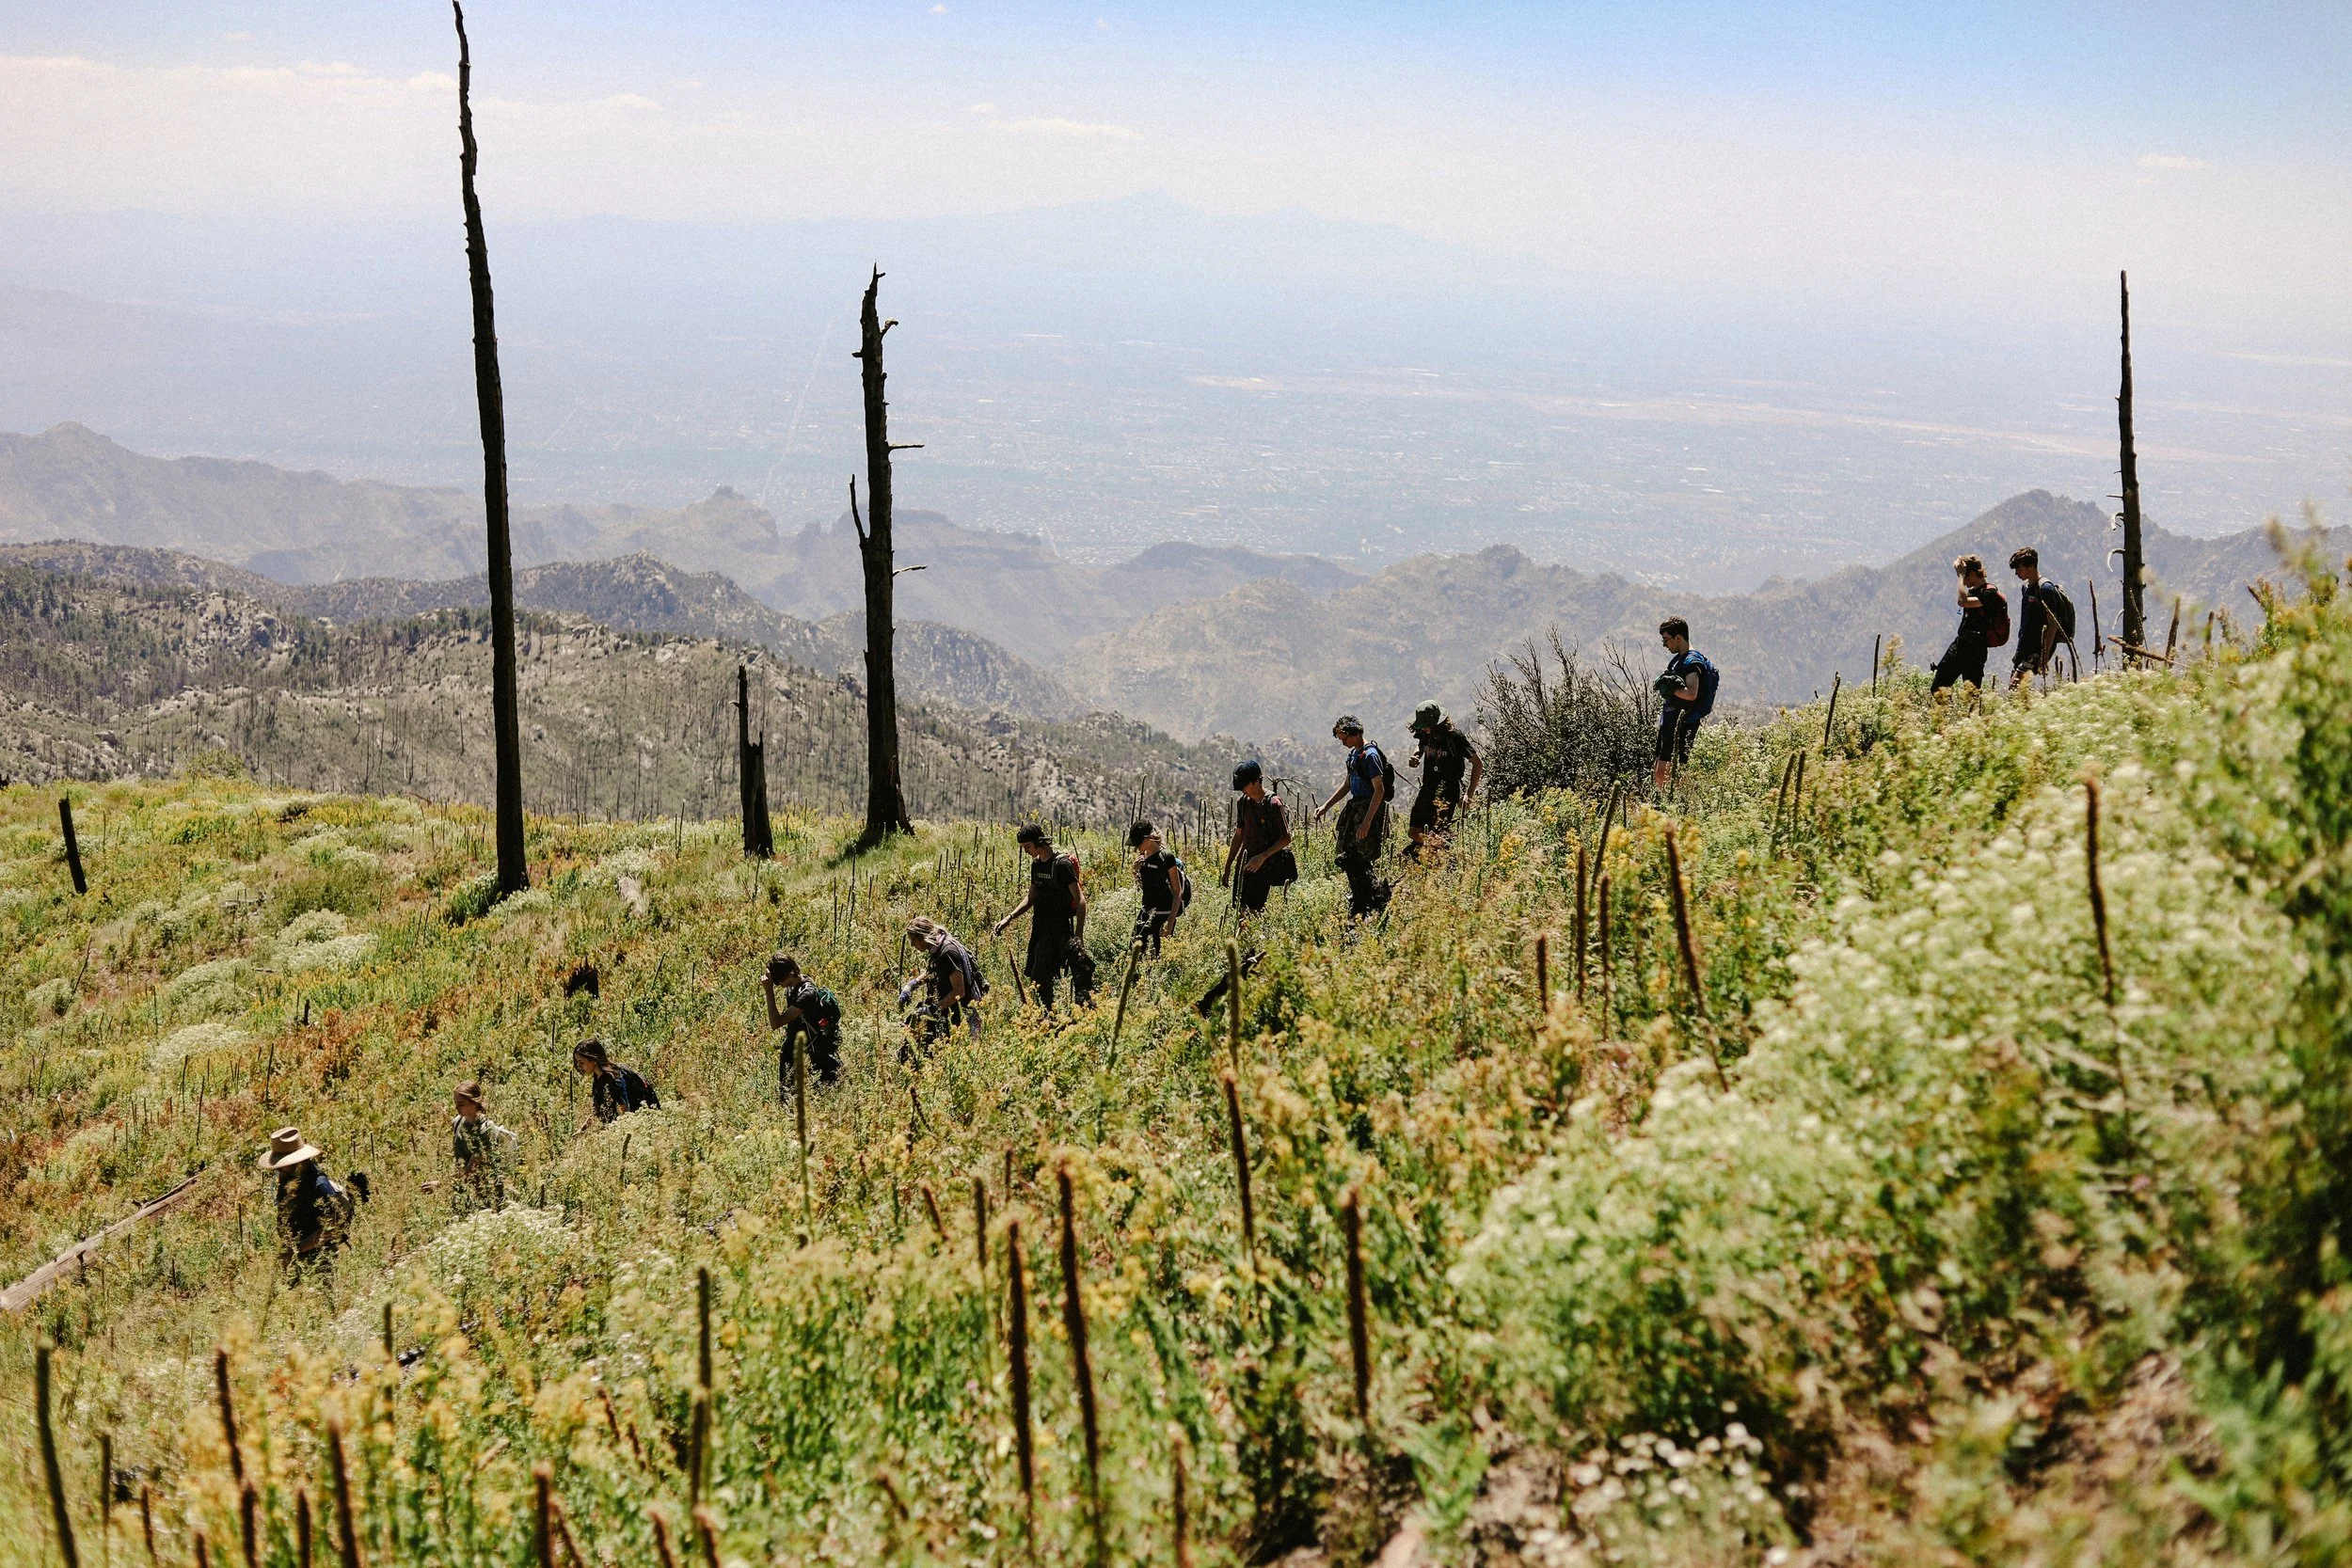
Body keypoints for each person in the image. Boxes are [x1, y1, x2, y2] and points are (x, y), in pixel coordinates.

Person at [993, 825, 1095, 1010]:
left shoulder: (1062, 865)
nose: (1026, 852)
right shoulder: (1037, 864)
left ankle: (1055, 1017)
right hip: (1040, 930)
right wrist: (1009, 918)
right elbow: (1031, 897)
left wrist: (1079, 936)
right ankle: (1051, 1016)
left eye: (1028, 847)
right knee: (1039, 980)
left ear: (1040, 842)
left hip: (1060, 931)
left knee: (1043, 979)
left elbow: (1080, 901)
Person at [1315, 716, 1391, 919]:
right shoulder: (1354, 756)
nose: (1343, 743)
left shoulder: (1370, 756)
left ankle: (1373, 901)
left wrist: (1367, 822)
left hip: (1368, 809)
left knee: (1362, 857)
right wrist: (1325, 806)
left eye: (1345, 738)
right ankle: (1360, 899)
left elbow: (1379, 790)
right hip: (1355, 807)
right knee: (1349, 857)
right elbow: (1347, 785)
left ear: (1356, 733)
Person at [261, 1126, 367, 1263]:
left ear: (297, 1161)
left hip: (321, 1256)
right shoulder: (287, 1179)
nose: (279, 1169)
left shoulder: (319, 1186)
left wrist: (298, 1248)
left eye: (283, 1164)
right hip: (296, 1255)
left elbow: (332, 1226)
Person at [1404, 702, 1482, 858]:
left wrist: (1468, 794)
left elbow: (1477, 764)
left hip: (1448, 792)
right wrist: (1416, 756)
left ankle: (1449, 856)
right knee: (1414, 832)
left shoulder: (1455, 738)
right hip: (1428, 789)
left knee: (1438, 831)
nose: (1424, 730)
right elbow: (1421, 745)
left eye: (1427, 726)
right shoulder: (1425, 733)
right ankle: (1440, 851)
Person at [1652, 618, 1720, 790]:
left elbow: (1691, 693)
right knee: (1660, 770)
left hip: (1683, 724)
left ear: (1678, 637)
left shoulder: (1692, 661)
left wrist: (1670, 689)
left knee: (1673, 771)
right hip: (1670, 723)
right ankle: (1666, 807)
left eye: (1666, 639)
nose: (1664, 645)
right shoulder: (1678, 660)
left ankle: (1681, 807)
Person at [1222, 760, 1297, 915]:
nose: (1243, 790)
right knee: (1239, 911)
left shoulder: (1273, 804)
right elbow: (1239, 834)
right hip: (1245, 863)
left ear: (1256, 781)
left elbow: (1286, 837)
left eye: (1245, 785)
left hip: (1265, 865)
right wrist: (1228, 866)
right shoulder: (1242, 802)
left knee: (1254, 912)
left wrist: (1262, 857)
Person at [764, 954, 843, 1092]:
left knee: (826, 1089)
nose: (777, 985)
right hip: (797, 1048)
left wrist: (768, 990)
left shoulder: (806, 995)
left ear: (788, 975)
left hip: (814, 1050)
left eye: (777, 982)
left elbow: (775, 1023)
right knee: (787, 1093)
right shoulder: (796, 984)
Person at [1931, 554, 2010, 693]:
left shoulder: (1989, 593)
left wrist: (1960, 575)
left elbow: (1963, 601)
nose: (1963, 581)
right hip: (1960, 644)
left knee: (1971, 695)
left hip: (1976, 649)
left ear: (1973, 574)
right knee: (1938, 689)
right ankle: (1950, 713)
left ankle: (1968, 715)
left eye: (1965, 576)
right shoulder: (1974, 591)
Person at [903, 919, 987, 1044]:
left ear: (922, 937)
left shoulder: (947, 953)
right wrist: (912, 985)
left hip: (962, 1011)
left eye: (913, 941)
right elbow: (935, 970)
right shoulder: (937, 947)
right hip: (947, 1008)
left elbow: (959, 991)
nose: (912, 945)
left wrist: (933, 1010)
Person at [2007, 546, 2073, 687]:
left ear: (2031, 566)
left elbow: (2053, 624)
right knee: (2020, 688)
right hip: (2024, 646)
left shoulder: (2045, 588)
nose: (2017, 574)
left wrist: (2044, 655)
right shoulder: (2026, 587)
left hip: (2037, 648)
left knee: (2015, 686)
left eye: (2020, 569)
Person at [450, 1082, 518, 1209]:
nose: (456, 1108)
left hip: (489, 1192)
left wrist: (441, 1185)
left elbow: (471, 1169)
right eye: (455, 1103)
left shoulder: (486, 1130)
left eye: (461, 1104)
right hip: (466, 1191)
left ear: (474, 1103)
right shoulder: (457, 1122)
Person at [1126, 821, 1190, 956]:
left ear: (1147, 839)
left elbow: (1177, 892)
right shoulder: (1143, 857)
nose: (1137, 847)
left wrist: (1170, 922)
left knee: (1155, 957)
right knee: (1133, 953)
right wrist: (1135, 871)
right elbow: (1144, 888)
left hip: (1163, 915)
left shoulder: (1166, 857)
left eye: (1138, 843)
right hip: (1145, 912)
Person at [573, 1038, 660, 1123]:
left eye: (581, 1062)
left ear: (594, 1060)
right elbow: (597, 1110)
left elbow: (624, 1109)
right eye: (577, 1062)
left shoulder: (614, 1077)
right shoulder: (598, 1077)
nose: (579, 1066)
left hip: (643, 1119)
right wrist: (582, 1130)